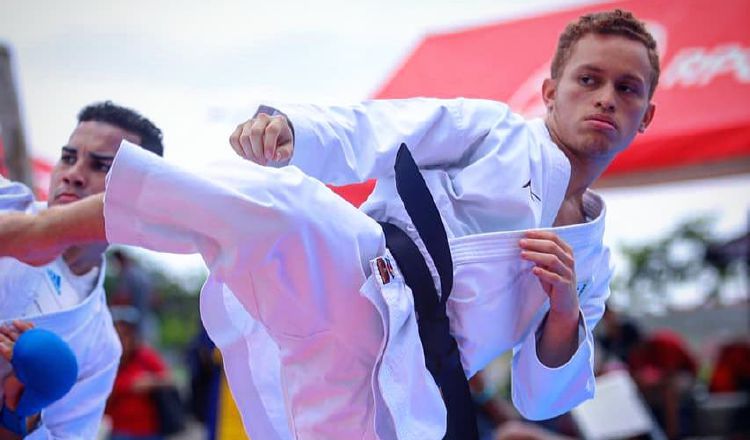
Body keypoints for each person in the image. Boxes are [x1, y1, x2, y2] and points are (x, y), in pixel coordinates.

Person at [0, 9, 658, 439]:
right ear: (549, 92)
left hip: (412, 389)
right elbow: (379, 127)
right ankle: (48, 231)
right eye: (589, 79)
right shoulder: (491, 131)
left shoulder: (590, 262)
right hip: (364, 273)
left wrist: (565, 308)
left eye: (628, 89)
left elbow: (542, 398)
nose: (606, 98)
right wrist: (291, 129)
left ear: (646, 114)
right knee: (279, 201)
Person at [0, 101, 163, 438]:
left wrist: (23, 413)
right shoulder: (5, 203)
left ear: (139, 195)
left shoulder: (100, 343)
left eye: (100, 166)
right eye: (69, 157)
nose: (73, 174)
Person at [105, 306, 176, 440]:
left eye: (126, 335)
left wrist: (151, 382)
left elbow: (169, 378)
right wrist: (129, 385)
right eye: (117, 334)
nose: (121, 340)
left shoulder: (145, 355)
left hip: (148, 431)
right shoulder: (107, 359)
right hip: (120, 430)